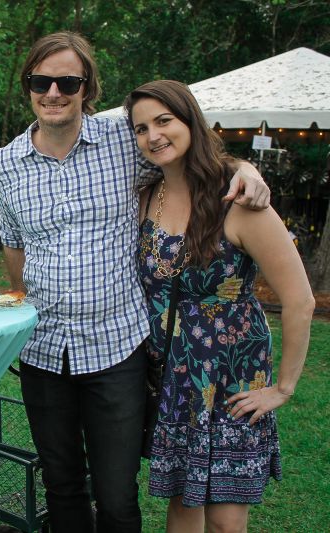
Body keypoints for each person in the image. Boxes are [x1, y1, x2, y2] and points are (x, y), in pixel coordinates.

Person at [0, 32, 270, 533]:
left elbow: (187, 156)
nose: (53, 92)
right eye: (41, 81)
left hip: (117, 348)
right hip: (43, 350)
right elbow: (14, 247)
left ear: (86, 87)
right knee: (62, 484)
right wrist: (24, 303)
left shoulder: (124, 139)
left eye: (67, 81)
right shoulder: (3, 166)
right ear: (27, 86)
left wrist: (241, 166)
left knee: (118, 494)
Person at [126, 80, 314, 533]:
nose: (153, 135)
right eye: (141, 128)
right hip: (171, 376)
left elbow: (300, 300)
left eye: (164, 121)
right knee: (183, 507)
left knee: (227, 523)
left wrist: (283, 388)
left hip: (231, 375)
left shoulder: (241, 202)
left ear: (191, 119)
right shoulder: (145, 196)